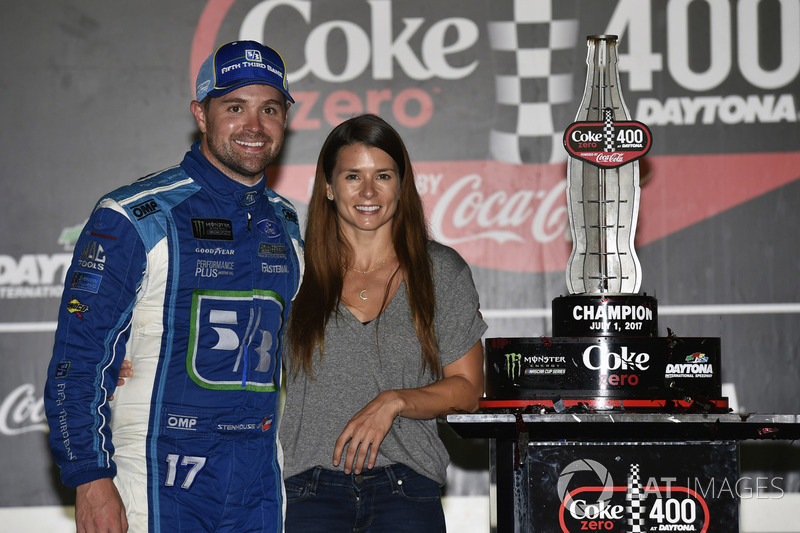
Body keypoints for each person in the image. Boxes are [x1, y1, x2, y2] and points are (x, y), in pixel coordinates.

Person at [43, 40, 303, 533]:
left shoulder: (286, 223)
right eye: (234, 107)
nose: (254, 126)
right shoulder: (135, 215)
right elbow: (77, 358)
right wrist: (89, 476)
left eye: (269, 108)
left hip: (257, 478)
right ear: (201, 115)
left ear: (285, 119)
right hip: (156, 472)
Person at [280, 114, 487, 532]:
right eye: (353, 175)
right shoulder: (291, 268)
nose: (369, 191)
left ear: (402, 184)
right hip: (308, 493)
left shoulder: (440, 271)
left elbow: (468, 391)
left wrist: (394, 402)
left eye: (384, 175)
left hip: (406, 491)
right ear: (328, 187)